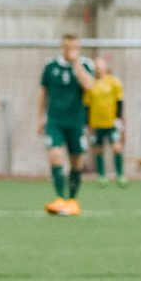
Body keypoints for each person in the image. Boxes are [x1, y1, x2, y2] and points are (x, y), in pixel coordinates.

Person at [39, 34, 96, 215]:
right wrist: (40, 117)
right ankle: (59, 198)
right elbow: (43, 93)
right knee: (55, 156)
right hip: (55, 120)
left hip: (76, 121)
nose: (71, 50)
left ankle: (72, 200)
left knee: (76, 162)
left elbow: (89, 86)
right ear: (62, 47)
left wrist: (75, 64)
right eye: (68, 47)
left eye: (75, 47)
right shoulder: (50, 66)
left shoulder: (86, 65)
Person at [84, 55, 127, 186]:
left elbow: (120, 101)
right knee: (98, 149)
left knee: (117, 147)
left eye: (100, 65)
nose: (98, 68)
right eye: (96, 66)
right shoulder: (90, 84)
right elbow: (87, 106)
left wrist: (119, 119)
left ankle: (120, 175)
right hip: (96, 124)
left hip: (111, 123)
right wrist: (88, 125)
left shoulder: (114, 82)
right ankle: (102, 176)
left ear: (105, 67)